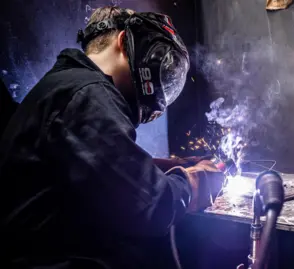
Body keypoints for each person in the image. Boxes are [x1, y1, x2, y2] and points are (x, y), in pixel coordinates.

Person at [0, 6, 224, 269]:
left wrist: (166, 166)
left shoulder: (66, 86)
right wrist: (197, 180)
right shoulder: (89, 93)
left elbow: (99, 175)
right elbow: (153, 206)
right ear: (123, 43)